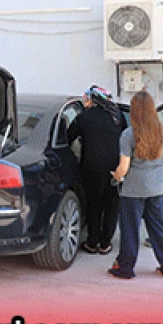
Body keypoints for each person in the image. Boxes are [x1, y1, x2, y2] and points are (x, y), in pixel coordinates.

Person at [109, 91, 163, 279]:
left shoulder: (128, 135)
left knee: (130, 230)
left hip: (133, 190)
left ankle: (125, 268)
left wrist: (116, 176)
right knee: (160, 229)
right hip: (156, 188)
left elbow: (124, 167)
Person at [68, 85, 126, 255]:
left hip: (91, 167)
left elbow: (69, 136)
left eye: (86, 98)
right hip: (115, 167)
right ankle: (105, 243)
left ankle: (92, 242)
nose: (84, 101)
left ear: (93, 99)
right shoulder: (117, 115)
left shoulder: (84, 117)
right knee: (111, 205)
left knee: (94, 204)